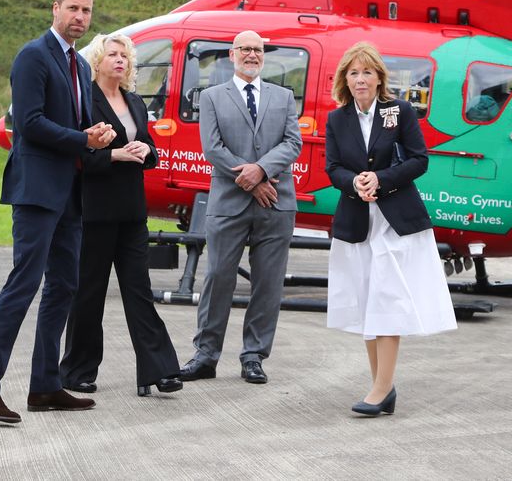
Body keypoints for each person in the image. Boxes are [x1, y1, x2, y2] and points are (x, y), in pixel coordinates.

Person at [0, 0, 116, 425]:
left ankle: (46, 386)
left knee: (64, 286)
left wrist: (98, 138)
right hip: (36, 189)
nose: (80, 18)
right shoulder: (33, 56)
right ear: (55, 8)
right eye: (73, 8)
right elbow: (28, 124)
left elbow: (79, 124)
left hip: (70, 191)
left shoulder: (78, 65)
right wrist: (81, 139)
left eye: (87, 12)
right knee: (23, 285)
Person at [324, 41, 456, 417]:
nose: (360, 79)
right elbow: (333, 168)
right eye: (353, 72)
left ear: (379, 77)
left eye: (367, 72)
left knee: (387, 299)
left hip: (396, 223)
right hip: (357, 223)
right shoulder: (338, 120)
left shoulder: (398, 112)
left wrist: (380, 179)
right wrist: (355, 183)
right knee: (368, 302)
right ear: (344, 80)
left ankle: (381, 389)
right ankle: (382, 388)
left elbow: (419, 160)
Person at [59, 33, 182, 398]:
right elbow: (76, 153)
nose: (120, 60)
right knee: (89, 293)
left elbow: (152, 150)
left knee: (139, 291)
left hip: (131, 211)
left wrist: (146, 148)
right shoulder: (84, 101)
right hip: (94, 209)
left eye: (125, 55)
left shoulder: (134, 101)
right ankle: (77, 371)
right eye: (112, 54)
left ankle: (158, 370)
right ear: (97, 61)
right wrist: (112, 155)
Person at [178, 30, 302, 385]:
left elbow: (293, 143)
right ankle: (205, 355)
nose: (252, 55)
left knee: (268, 282)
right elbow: (212, 148)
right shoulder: (213, 96)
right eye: (245, 49)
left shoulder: (284, 96)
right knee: (218, 276)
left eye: (258, 50)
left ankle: (253, 356)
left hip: (275, 203)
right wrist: (250, 179)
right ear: (232, 55)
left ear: (264, 56)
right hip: (230, 202)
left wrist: (262, 171)